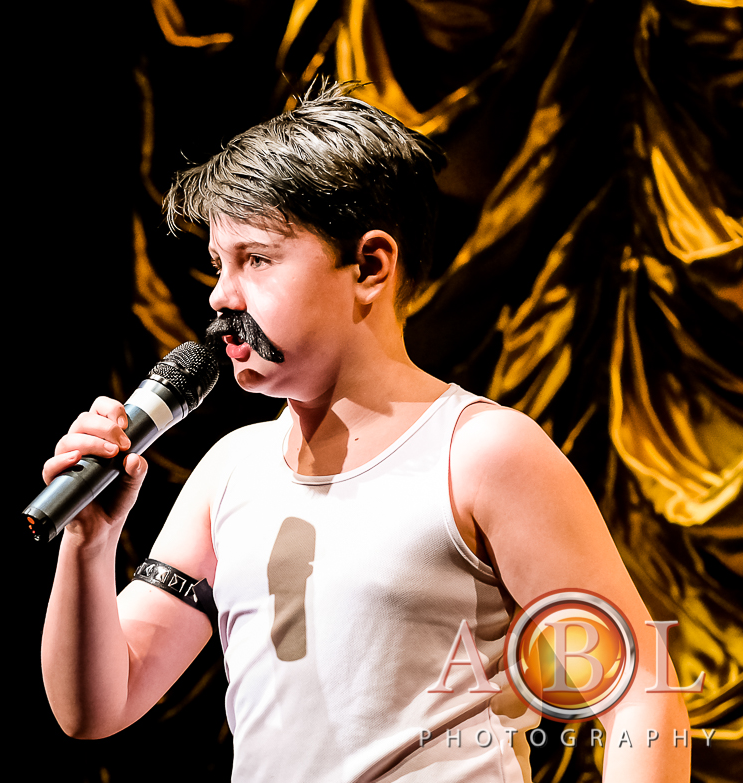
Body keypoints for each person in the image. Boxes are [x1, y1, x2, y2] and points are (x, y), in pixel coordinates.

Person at [40, 82, 691, 781]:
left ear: (370, 266)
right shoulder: (231, 470)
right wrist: (89, 543)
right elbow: (96, 706)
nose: (221, 296)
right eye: (218, 265)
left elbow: (639, 695)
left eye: (256, 259)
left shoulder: (479, 452)